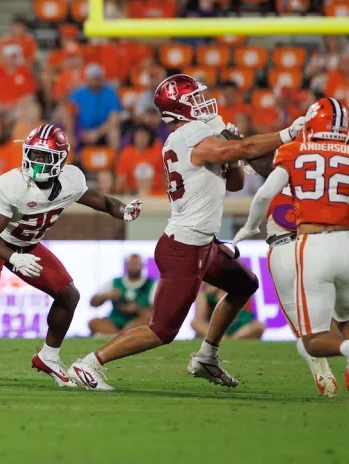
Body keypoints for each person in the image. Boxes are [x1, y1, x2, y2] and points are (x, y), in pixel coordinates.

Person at [66, 73, 306, 391]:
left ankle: (207, 356)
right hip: (185, 247)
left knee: (244, 284)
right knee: (162, 330)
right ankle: (88, 365)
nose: (201, 102)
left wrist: (231, 152)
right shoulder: (189, 135)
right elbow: (247, 148)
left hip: (201, 243)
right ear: (179, 106)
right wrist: (286, 134)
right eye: (193, 97)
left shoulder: (194, 135)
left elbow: (234, 182)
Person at [0, 124, 142, 388]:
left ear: (61, 159)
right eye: (33, 155)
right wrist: (14, 258)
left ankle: (48, 357)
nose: (36, 162)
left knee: (68, 295)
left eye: (44, 157)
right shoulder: (14, 184)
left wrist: (123, 210)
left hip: (28, 244)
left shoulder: (71, 181)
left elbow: (105, 202)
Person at [234, 97, 349, 393]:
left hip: (298, 246)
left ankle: (324, 370)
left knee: (309, 336)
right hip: (341, 240)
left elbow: (263, 183)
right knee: (345, 318)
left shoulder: (293, 154)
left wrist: (249, 227)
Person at [88, 254, 156, 336]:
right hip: (115, 322)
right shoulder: (115, 282)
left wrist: (137, 308)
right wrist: (107, 295)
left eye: (136, 264)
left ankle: (119, 336)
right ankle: (121, 336)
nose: (134, 267)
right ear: (126, 266)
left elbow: (156, 311)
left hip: (138, 321)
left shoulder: (152, 284)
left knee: (149, 319)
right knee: (94, 322)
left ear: (143, 266)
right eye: (131, 264)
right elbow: (93, 302)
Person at [192, 283, 265, 340]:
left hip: (238, 328)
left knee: (259, 326)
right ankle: (223, 339)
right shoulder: (203, 296)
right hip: (215, 329)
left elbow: (243, 314)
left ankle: (230, 339)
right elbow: (199, 320)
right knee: (196, 323)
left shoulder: (236, 288)